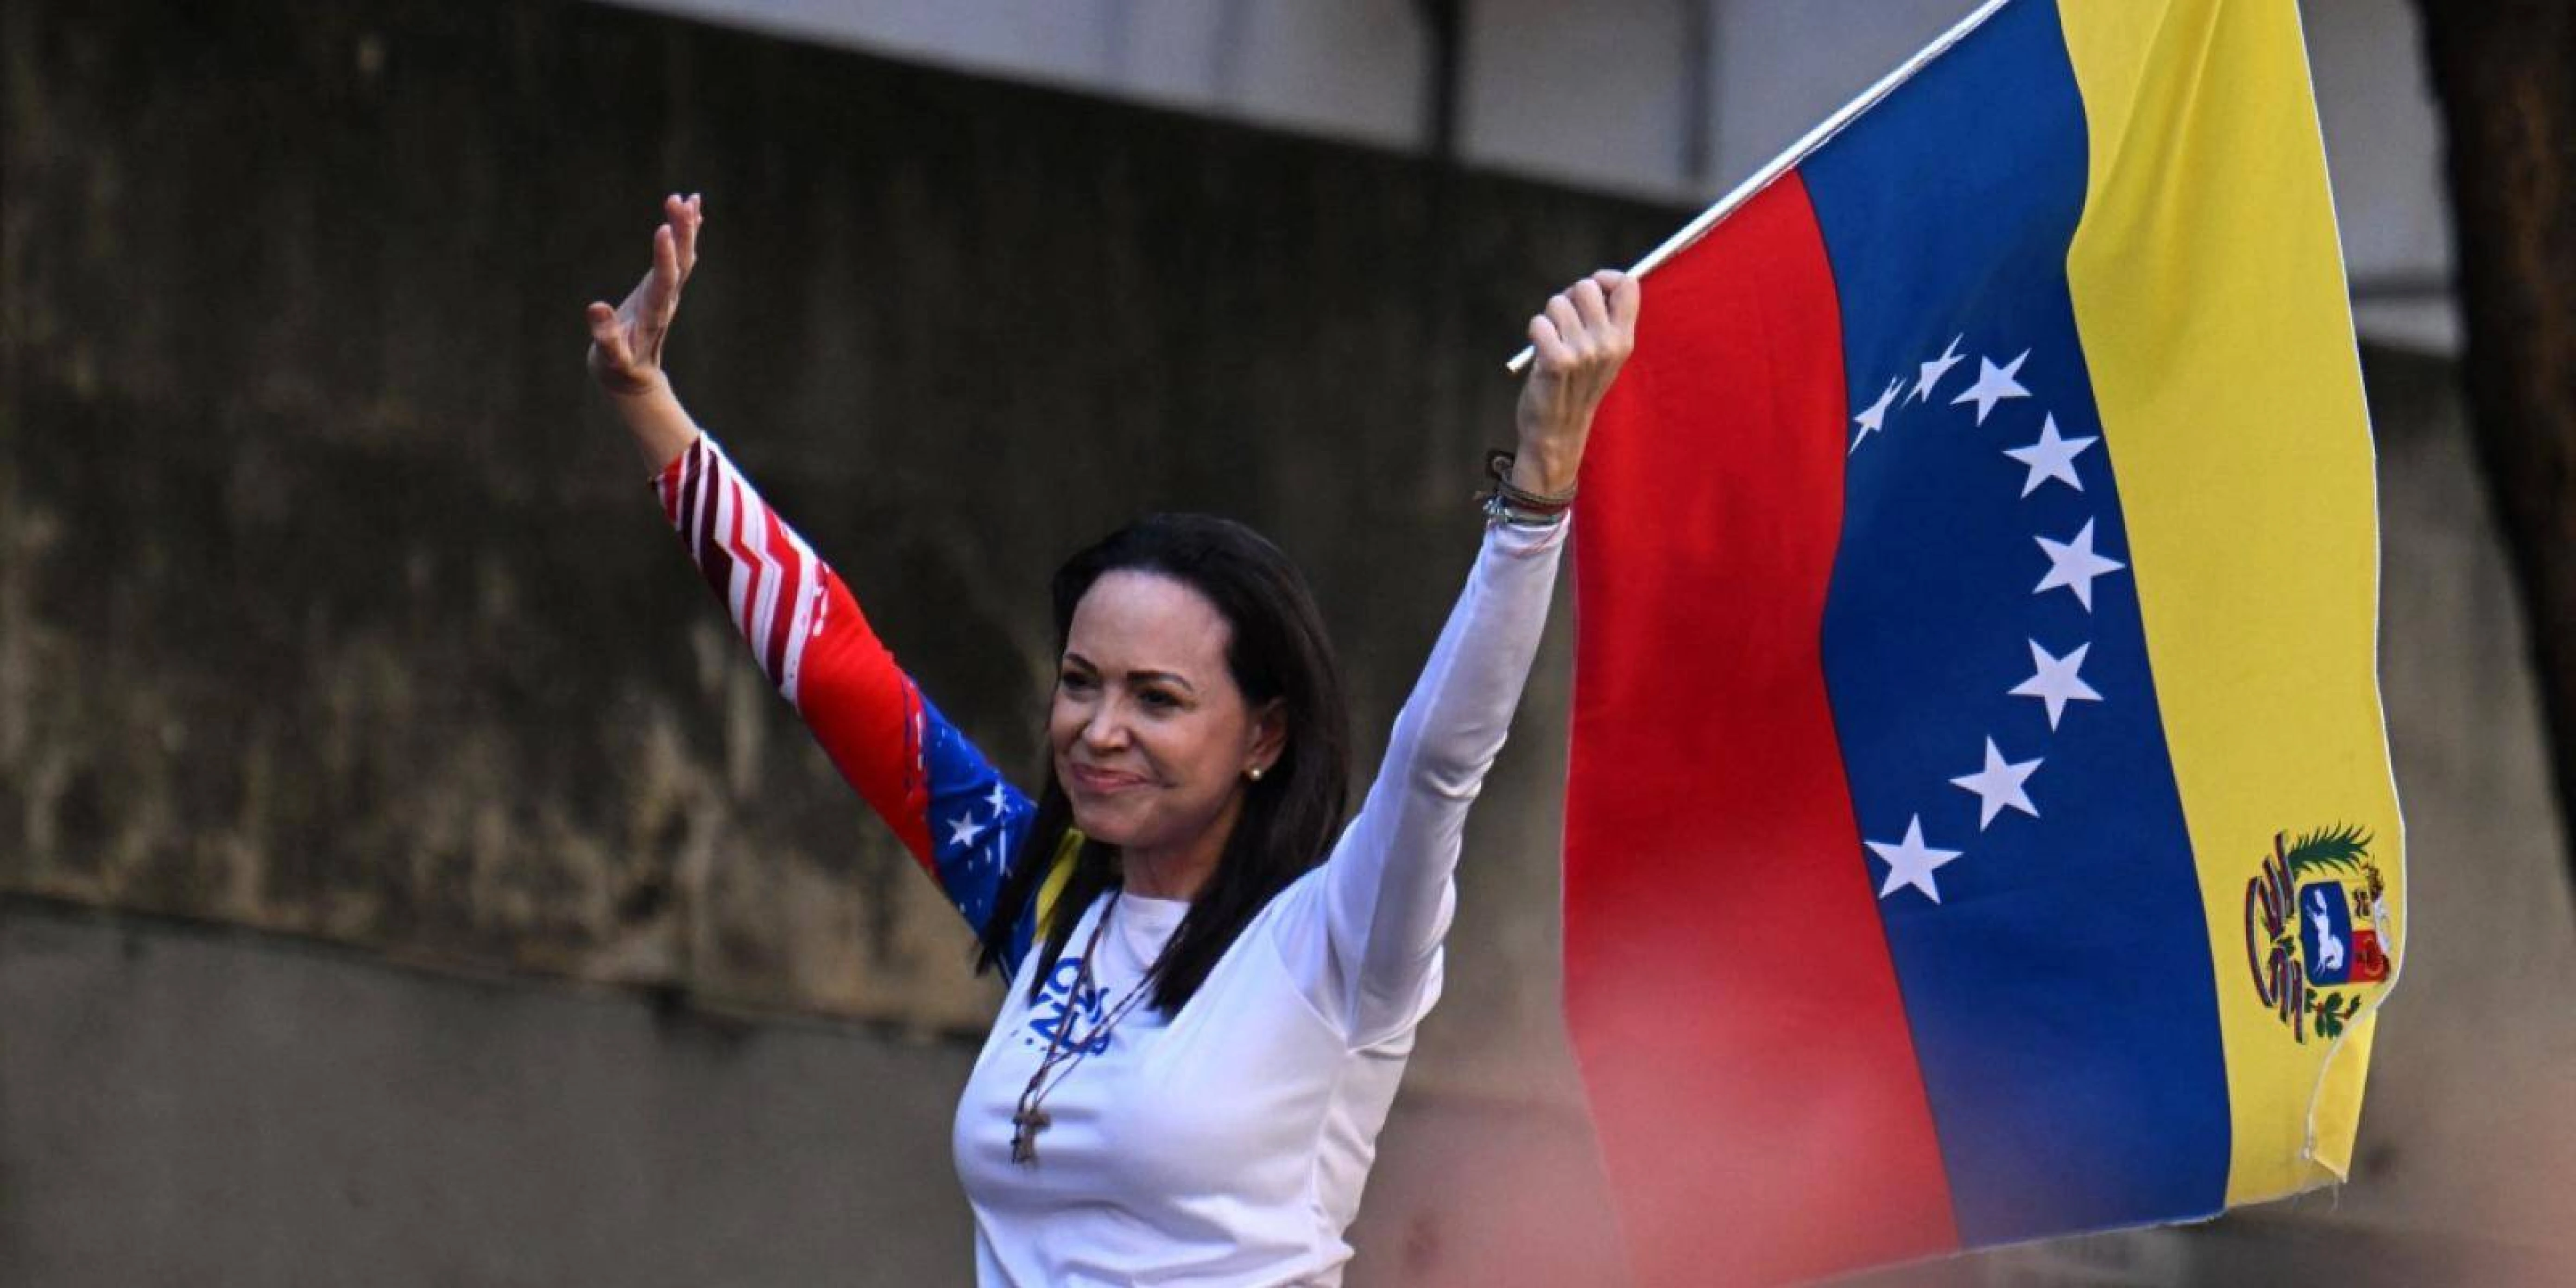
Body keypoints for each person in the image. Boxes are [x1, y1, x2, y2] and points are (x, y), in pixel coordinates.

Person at [585, 192, 1639, 1285]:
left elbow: (1440, 763)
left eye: (1158, 699)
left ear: (1263, 733)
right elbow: (835, 666)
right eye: (1080, 683)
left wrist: (1538, 488)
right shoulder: (1042, 894)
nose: (1100, 731)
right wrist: (647, 403)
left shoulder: (1337, 940)